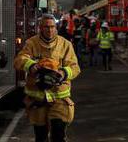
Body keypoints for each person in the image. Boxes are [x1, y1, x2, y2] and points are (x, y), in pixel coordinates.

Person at [14, 14, 80, 142]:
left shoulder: (65, 44)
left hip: (59, 97)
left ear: (56, 28)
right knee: (41, 137)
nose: (49, 30)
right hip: (38, 99)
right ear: (40, 28)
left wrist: (63, 73)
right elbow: (19, 60)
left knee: (58, 134)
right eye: (46, 27)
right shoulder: (31, 43)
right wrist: (31, 65)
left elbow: (75, 67)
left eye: (52, 27)